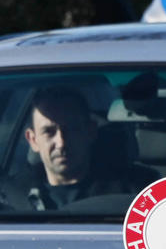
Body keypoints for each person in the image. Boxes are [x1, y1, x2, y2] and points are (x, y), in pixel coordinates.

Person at [2, 87, 154, 210]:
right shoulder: (9, 198)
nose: (61, 142)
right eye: (49, 132)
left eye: (72, 129)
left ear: (90, 132)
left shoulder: (139, 193)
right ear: (33, 140)